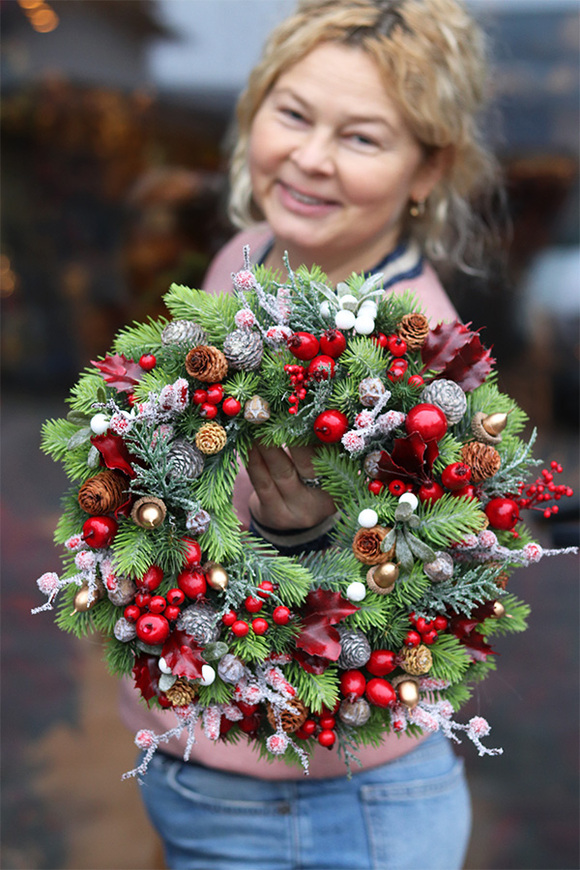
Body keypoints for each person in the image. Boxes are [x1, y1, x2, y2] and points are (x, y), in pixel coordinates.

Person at [121, 1, 502, 867]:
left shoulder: (422, 365)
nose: (310, 158)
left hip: (329, 815)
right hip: (205, 774)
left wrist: (314, 540)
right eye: (292, 114)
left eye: (362, 138)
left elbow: (420, 612)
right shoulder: (248, 259)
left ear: (426, 168)